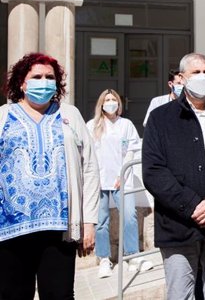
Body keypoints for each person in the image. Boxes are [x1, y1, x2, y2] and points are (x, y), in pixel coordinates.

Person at [0, 53, 100, 299]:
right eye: (36, 77)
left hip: (60, 228)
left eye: (49, 77)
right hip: (10, 229)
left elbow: (90, 169)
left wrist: (89, 223)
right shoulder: (3, 116)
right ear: (22, 83)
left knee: (59, 295)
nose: (43, 82)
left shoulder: (70, 115)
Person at [142, 53, 205, 299]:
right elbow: (153, 171)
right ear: (181, 78)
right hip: (178, 224)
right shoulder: (161, 117)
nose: (203, 77)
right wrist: (192, 205)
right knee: (180, 294)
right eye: (196, 72)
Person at [86, 89, 151, 278]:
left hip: (122, 179)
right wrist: (93, 177)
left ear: (119, 103)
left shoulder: (126, 124)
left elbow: (132, 149)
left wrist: (122, 174)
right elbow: (88, 154)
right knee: (101, 221)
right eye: (107, 100)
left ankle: (132, 256)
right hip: (98, 180)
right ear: (101, 104)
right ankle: (104, 258)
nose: (110, 103)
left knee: (129, 216)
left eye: (113, 99)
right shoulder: (92, 125)